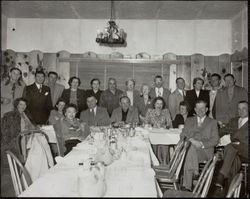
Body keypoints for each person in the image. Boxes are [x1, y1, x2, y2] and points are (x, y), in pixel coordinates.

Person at [180, 100, 219, 191]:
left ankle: (187, 185)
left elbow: (215, 140)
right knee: (191, 148)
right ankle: (196, 173)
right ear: (194, 109)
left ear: (206, 109)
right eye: (198, 108)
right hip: (191, 149)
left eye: (202, 108)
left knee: (188, 151)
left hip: (205, 151)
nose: (200, 110)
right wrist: (192, 140)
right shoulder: (189, 120)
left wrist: (201, 144)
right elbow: (182, 135)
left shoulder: (212, 122)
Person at [214, 101, 248, 190]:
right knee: (233, 160)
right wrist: (212, 137)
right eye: (239, 109)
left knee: (230, 146)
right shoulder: (234, 121)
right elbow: (222, 131)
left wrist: (239, 143)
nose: (241, 111)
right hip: (235, 153)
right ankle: (230, 190)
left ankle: (221, 176)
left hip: (246, 151)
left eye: (244, 108)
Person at [145, 96, 172, 165]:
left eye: (161, 104)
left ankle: (165, 163)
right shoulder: (150, 111)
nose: (159, 106)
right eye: (157, 103)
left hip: (163, 134)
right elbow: (146, 123)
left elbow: (169, 124)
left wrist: (164, 126)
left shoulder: (166, 111)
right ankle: (156, 164)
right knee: (154, 144)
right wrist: (151, 126)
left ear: (163, 105)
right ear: (154, 104)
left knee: (164, 143)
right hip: (153, 135)